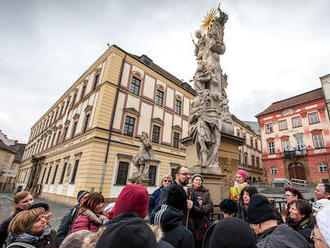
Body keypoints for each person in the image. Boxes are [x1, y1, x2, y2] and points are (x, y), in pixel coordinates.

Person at [160, 166, 203, 233]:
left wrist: (192, 207)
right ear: (177, 175)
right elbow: (164, 208)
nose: (188, 176)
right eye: (185, 174)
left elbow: (199, 212)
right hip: (172, 229)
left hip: (188, 230)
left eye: (189, 174)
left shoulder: (190, 192)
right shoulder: (167, 190)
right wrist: (183, 202)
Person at [190, 174, 213, 248]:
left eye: (200, 180)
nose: (198, 181)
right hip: (191, 219)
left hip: (202, 219)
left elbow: (210, 205)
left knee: (201, 239)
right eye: (196, 180)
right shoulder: (189, 191)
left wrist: (201, 209)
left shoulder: (206, 192)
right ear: (193, 182)